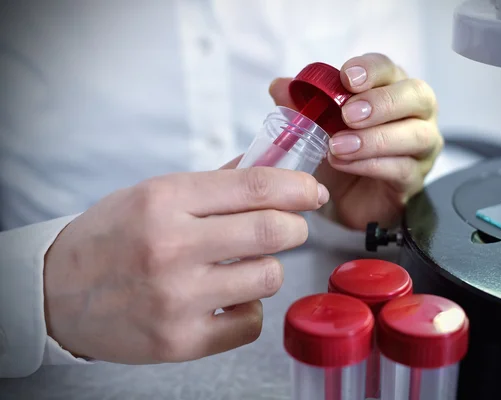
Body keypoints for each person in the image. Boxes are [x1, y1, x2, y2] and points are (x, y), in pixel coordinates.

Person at [0, 0, 443, 378]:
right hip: (49, 362)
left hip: (293, 321)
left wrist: (365, 213)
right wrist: (38, 289)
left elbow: (395, 130)